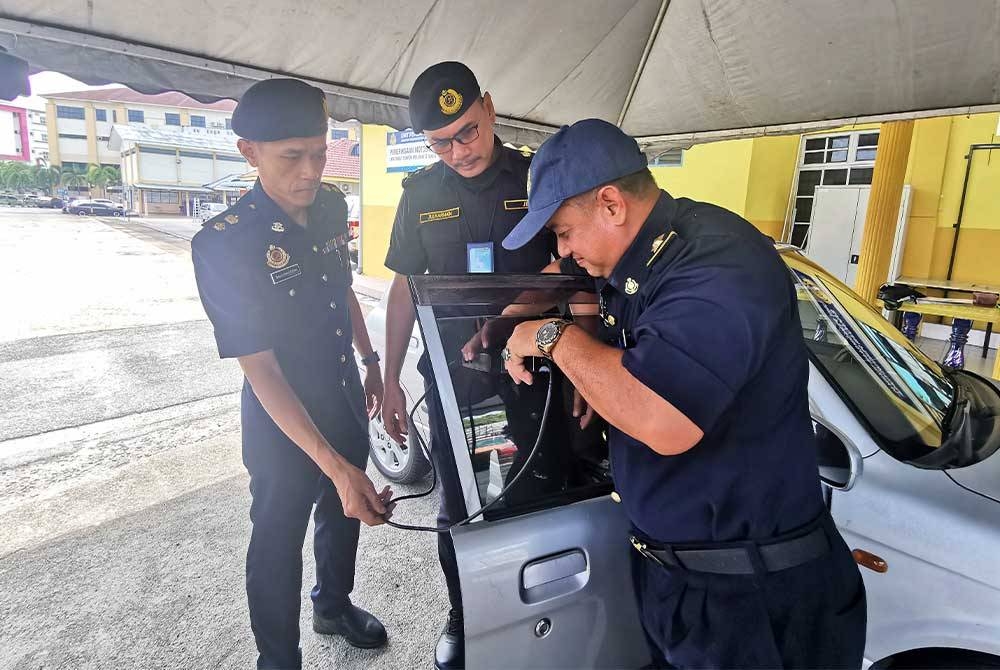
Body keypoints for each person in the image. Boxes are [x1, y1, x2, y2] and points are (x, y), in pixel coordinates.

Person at [500, 119, 867, 668]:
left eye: (563, 230)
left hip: (756, 604)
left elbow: (662, 417)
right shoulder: (638, 258)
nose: (564, 250)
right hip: (685, 586)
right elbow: (572, 286)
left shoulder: (717, 262)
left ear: (611, 204)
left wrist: (554, 338)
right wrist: (510, 329)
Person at [191, 78, 391, 670]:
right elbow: (260, 366)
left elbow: (342, 290)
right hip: (280, 417)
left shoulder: (329, 206)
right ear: (249, 152)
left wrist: (371, 363)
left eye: (320, 152)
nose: (310, 171)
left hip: (342, 392)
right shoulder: (223, 244)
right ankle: (278, 658)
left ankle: (334, 605)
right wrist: (332, 465)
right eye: (291, 156)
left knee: (343, 512)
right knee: (278, 538)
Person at [379, 61, 556, 670]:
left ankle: (541, 616)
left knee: (536, 489)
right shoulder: (420, 193)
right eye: (441, 143)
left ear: (490, 108)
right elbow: (405, 287)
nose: (458, 152)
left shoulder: (537, 177)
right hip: (454, 376)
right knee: (461, 502)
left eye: (468, 132)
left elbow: (573, 268)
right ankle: (465, 614)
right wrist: (390, 379)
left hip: (537, 368)